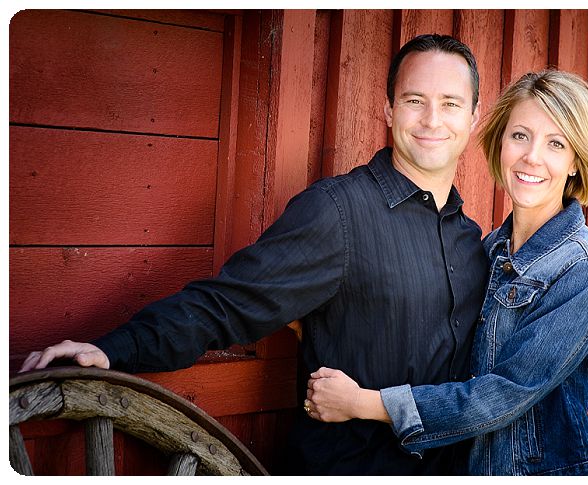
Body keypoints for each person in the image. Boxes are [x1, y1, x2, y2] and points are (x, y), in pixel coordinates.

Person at [19, 34, 490, 475]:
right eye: (414, 100)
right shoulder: (338, 213)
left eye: (450, 104)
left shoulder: (472, 240)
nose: (432, 119)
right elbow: (228, 304)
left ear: (473, 116)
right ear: (388, 109)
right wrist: (112, 349)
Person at [305, 69, 588, 476]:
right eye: (520, 135)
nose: (531, 157)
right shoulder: (490, 249)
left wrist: (361, 403)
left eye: (556, 144)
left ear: (576, 163)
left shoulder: (585, 268)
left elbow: (504, 395)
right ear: (500, 143)